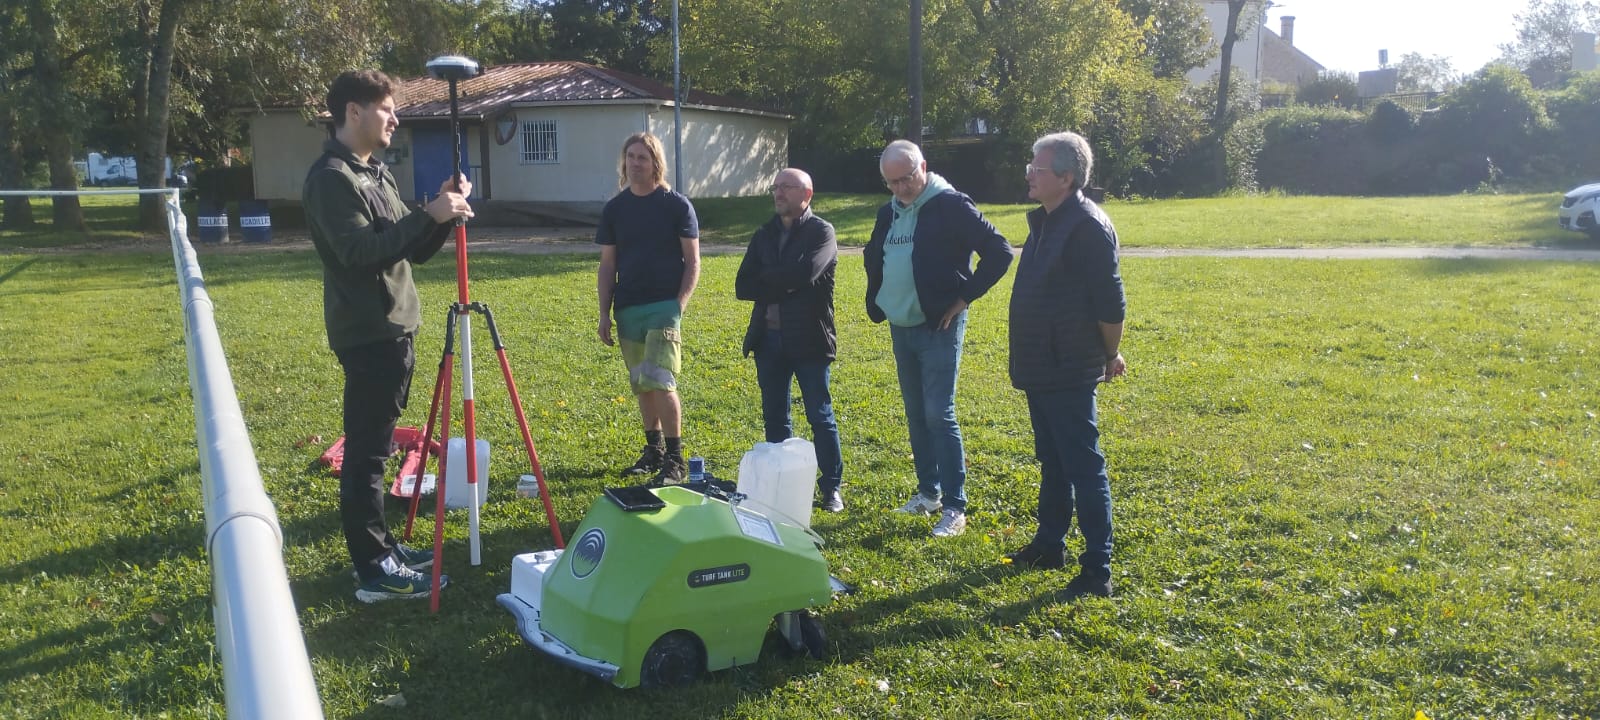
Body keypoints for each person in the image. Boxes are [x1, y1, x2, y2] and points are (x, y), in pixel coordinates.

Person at [303, 70, 475, 603]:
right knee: (368, 454)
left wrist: (443, 212)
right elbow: (358, 253)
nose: (395, 118)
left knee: (374, 446)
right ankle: (376, 568)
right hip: (367, 332)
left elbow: (414, 248)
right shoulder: (332, 178)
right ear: (353, 112)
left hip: (395, 329)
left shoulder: (376, 174)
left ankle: (384, 550)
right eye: (386, 109)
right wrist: (428, 213)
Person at [864, 139, 1014, 537]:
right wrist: (880, 297)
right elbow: (874, 255)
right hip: (902, 324)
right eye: (891, 183)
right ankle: (927, 494)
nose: (900, 189)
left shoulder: (950, 204)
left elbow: (999, 252)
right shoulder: (889, 211)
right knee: (916, 413)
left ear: (923, 167)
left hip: (939, 326)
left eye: (907, 179)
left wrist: (963, 298)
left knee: (938, 413)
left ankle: (954, 505)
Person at [1005, 131, 1126, 601]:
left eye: (1037, 168)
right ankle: (1049, 545)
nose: (1029, 174)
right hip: (1041, 363)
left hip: (1069, 364)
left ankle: (1098, 568)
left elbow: (1111, 304)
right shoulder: (1047, 220)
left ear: (1066, 177)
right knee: (1053, 460)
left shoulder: (1087, 226)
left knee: (1082, 464)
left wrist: (1109, 353)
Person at [735, 168, 845, 512]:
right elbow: (743, 285)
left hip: (809, 339)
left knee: (819, 415)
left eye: (787, 187)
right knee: (775, 416)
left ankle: (831, 488)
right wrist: (785, 280)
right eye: (776, 187)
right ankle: (782, 483)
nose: (778, 193)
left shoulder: (821, 232)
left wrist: (770, 278)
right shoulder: (764, 234)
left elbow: (807, 273)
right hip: (768, 340)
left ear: (806, 194)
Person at [596, 132, 701, 485]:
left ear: (656, 162)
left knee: (661, 380)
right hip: (628, 308)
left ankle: (675, 458)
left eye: (643, 157)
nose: (636, 163)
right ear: (623, 162)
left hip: (663, 307)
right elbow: (608, 265)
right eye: (631, 156)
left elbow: (693, 261)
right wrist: (603, 313)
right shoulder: (615, 209)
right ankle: (653, 450)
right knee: (642, 382)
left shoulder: (676, 205)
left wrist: (678, 306)